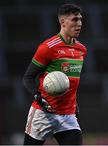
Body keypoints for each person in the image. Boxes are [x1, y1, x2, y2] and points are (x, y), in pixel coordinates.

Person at [23, 3, 87, 145]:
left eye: (81, 20)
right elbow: (28, 77)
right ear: (63, 22)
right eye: (75, 20)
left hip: (68, 116)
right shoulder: (48, 48)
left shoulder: (81, 49)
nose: (80, 24)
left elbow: (71, 81)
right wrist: (37, 96)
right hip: (43, 115)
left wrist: (74, 102)